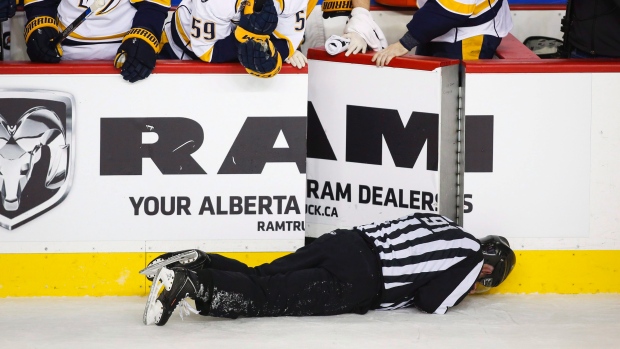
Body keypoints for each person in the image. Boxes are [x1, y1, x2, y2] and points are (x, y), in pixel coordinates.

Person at [142, 212, 516, 326]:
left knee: (263, 273)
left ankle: (199, 261)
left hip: (344, 241)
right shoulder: (471, 257)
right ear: (489, 267)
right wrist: (462, 292)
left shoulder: (442, 221)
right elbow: (433, 302)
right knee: (270, 296)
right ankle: (188, 284)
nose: (479, 282)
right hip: (361, 279)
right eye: (485, 280)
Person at [158, 0, 316, 78]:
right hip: (181, 50)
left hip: (224, 50)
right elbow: (208, 51)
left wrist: (273, 53)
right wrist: (251, 43)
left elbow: (287, 42)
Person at [23, 0, 170, 82]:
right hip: (63, 58)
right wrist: (40, 22)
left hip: (125, 57)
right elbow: (40, 4)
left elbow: (152, 5)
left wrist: (145, 32)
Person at [371, 0, 513, 66]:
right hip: (435, 25)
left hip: (470, 33)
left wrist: (405, 43)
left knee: (457, 99)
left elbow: (454, 7)